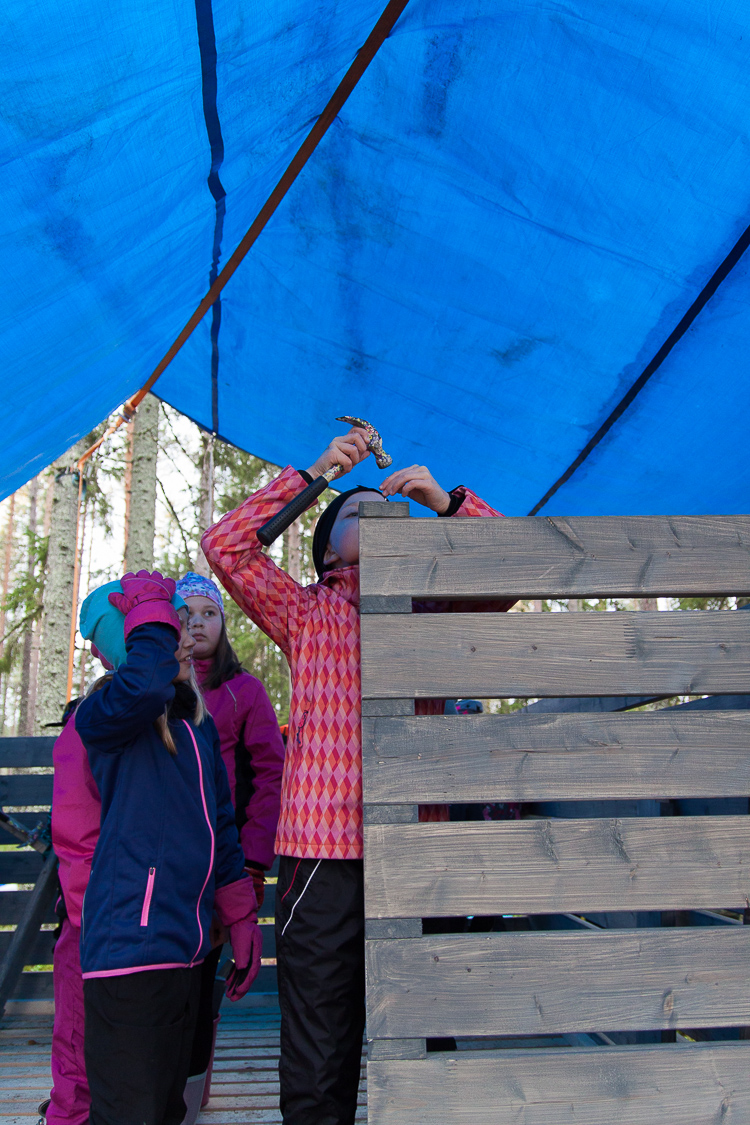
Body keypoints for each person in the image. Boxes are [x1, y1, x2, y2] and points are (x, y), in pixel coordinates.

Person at [201, 425, 511, 1125]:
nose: (374, 511)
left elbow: (506, 573)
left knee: (426, 1027)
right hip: (319, 856)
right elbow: (226, 545)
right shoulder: (304, 612)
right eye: (354, 511)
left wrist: (446, 502)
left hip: (417, 850)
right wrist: (315, 475)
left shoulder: (435, 611)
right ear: (328, 549)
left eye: (385, 506)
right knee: (319, 1039)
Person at [57, 571, 262, 1125]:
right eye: (172, 626)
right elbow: (143, 688)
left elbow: (220, 828)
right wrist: (150, 615)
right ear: (137, 641)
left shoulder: (194, 726)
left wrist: (240, 916)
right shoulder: (103, 718)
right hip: (129, 953)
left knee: (168, 1108)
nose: (185, 636)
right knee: (133, 1112)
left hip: (184, 950)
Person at [175, 571, 285, 1112]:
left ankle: (191, 1099)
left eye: (209, 613)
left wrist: (254, 862)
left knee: (201, 985)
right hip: (164, 866)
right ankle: (155, 1094)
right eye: (185, 613)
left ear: (224, 623)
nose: (197, 623)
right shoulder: (156, 688)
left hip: (222, 866)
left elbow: (270, 775)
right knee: (164, 983)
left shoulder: (244, 692)